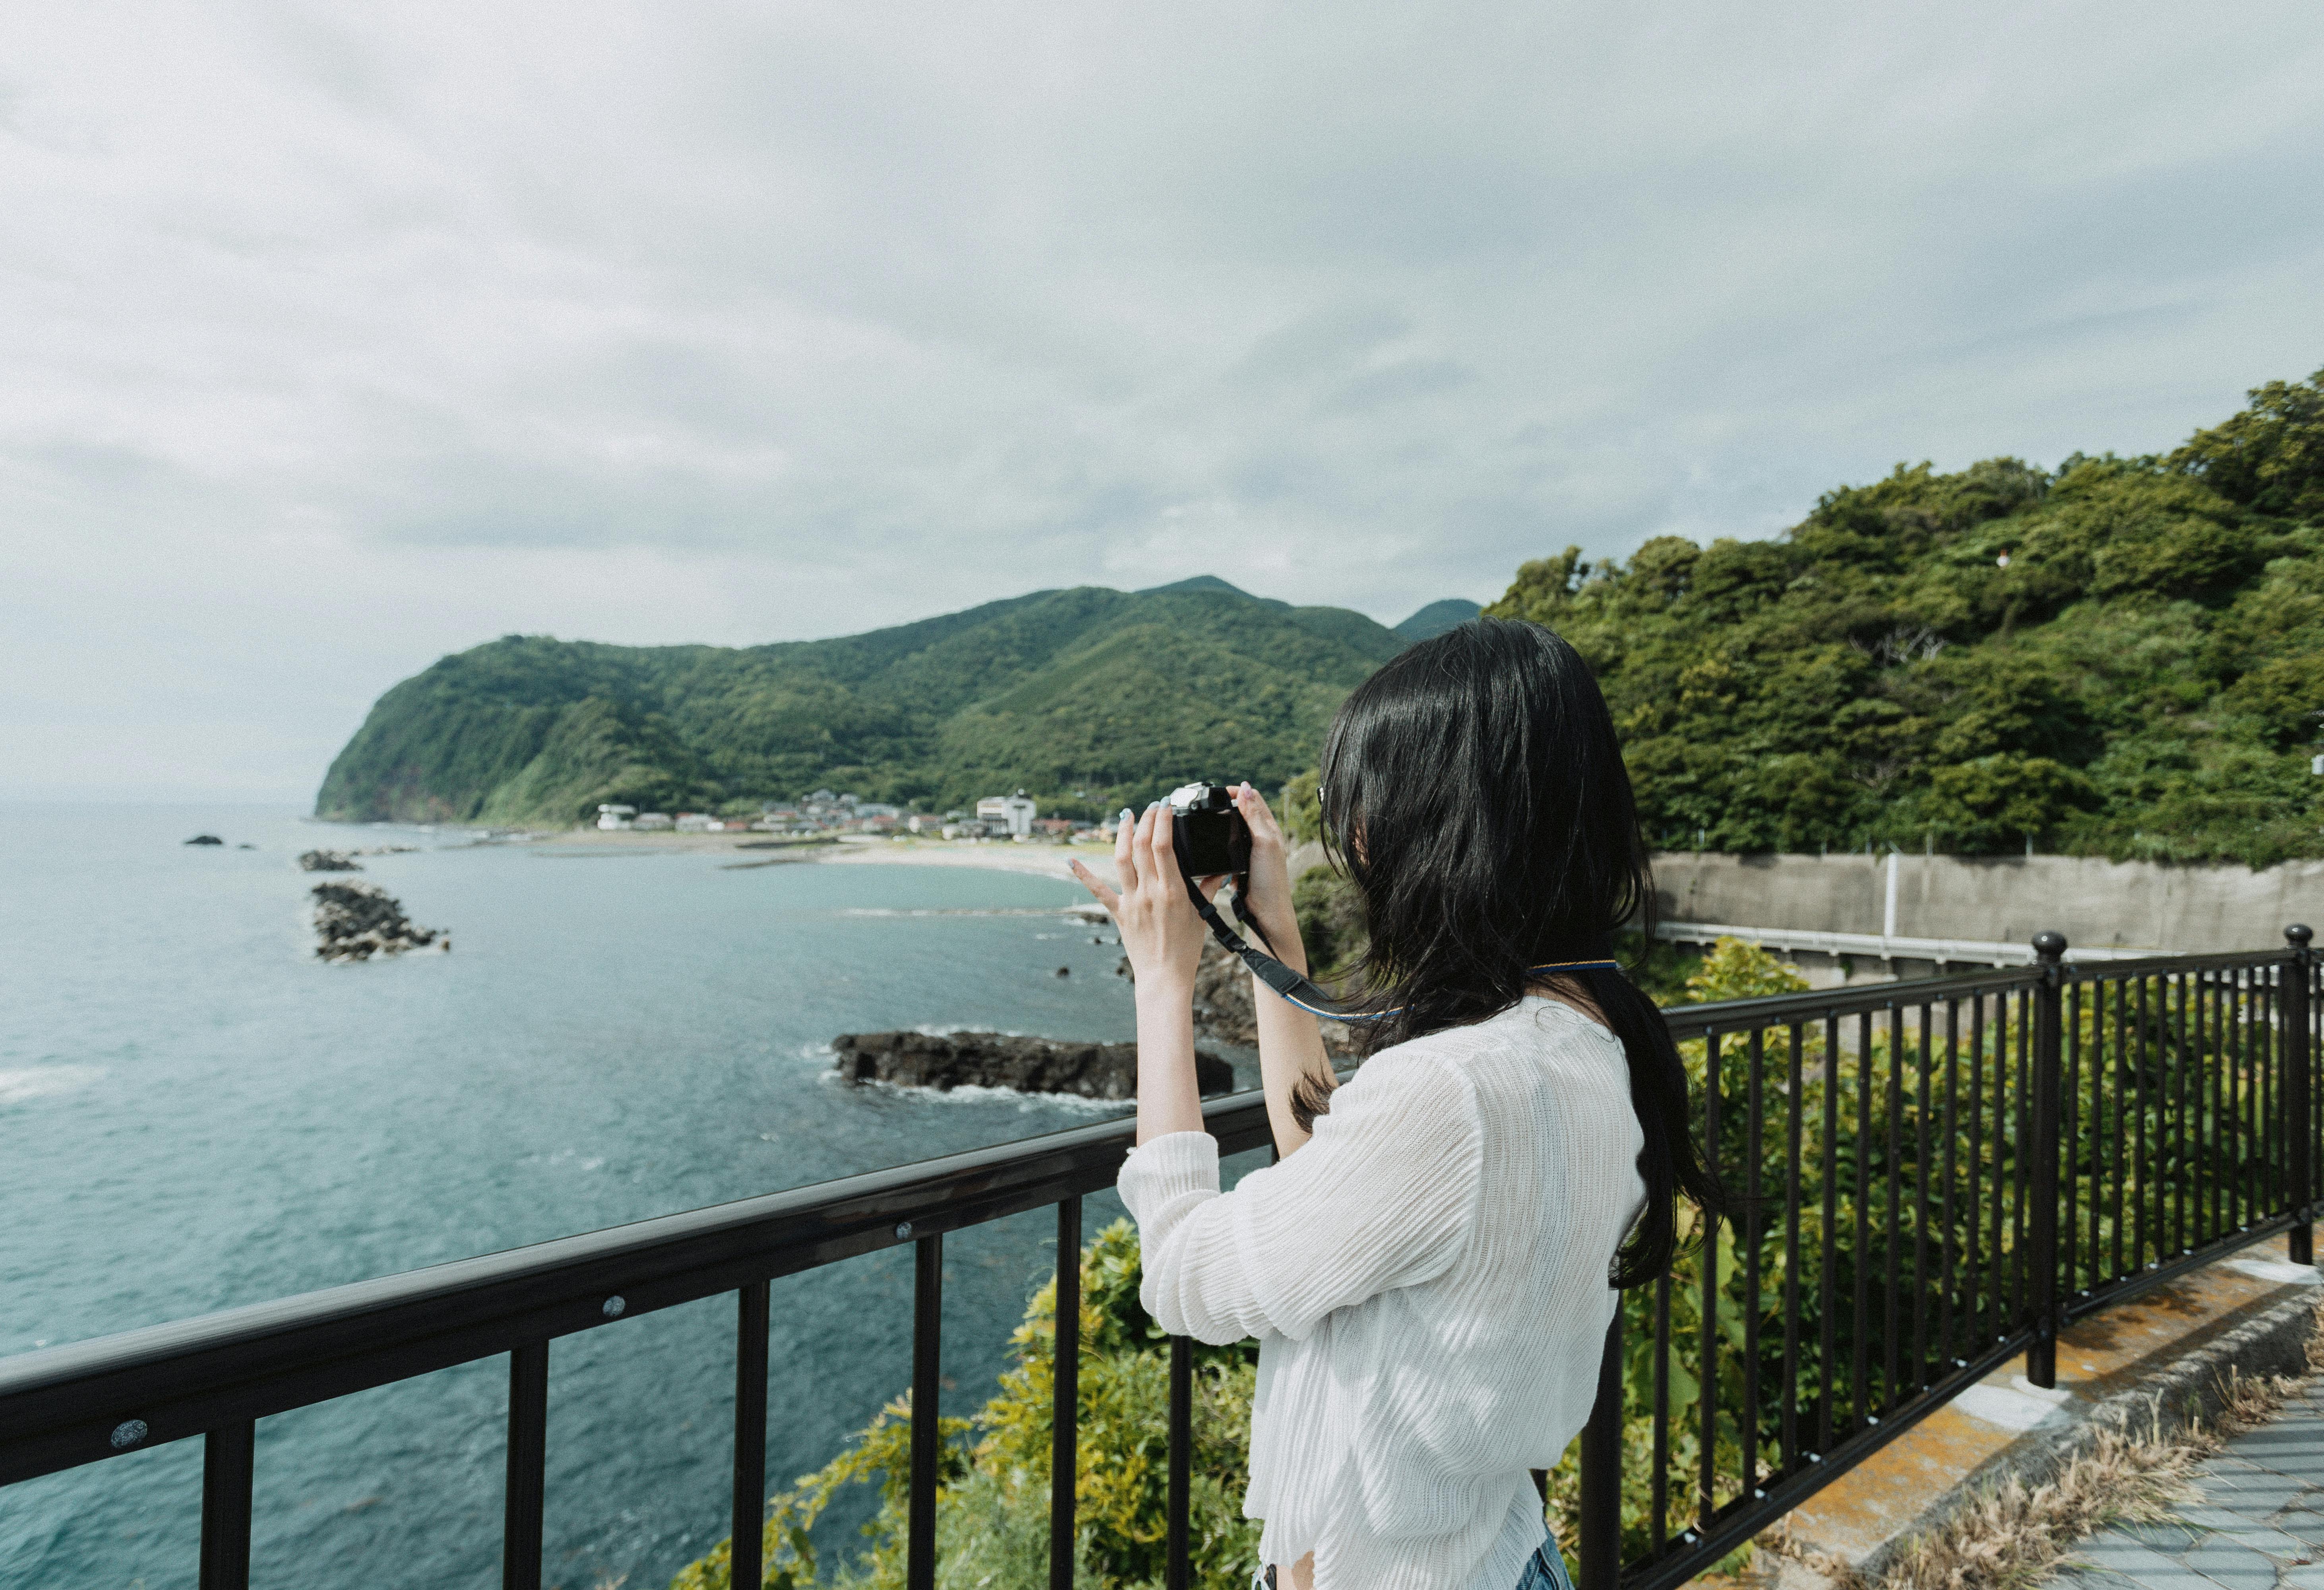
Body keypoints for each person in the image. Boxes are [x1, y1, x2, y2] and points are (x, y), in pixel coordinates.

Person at [1068, 618, 1722, 1590]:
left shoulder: (1453, 1087)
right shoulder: (1595, 1036)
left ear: (1448, 822)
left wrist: (1161, 983)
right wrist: (1271, 940)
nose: (1361, 841)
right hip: (1501, 1554)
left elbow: (1179, 1272)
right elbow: (1329, 1173)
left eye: (1371, 810)